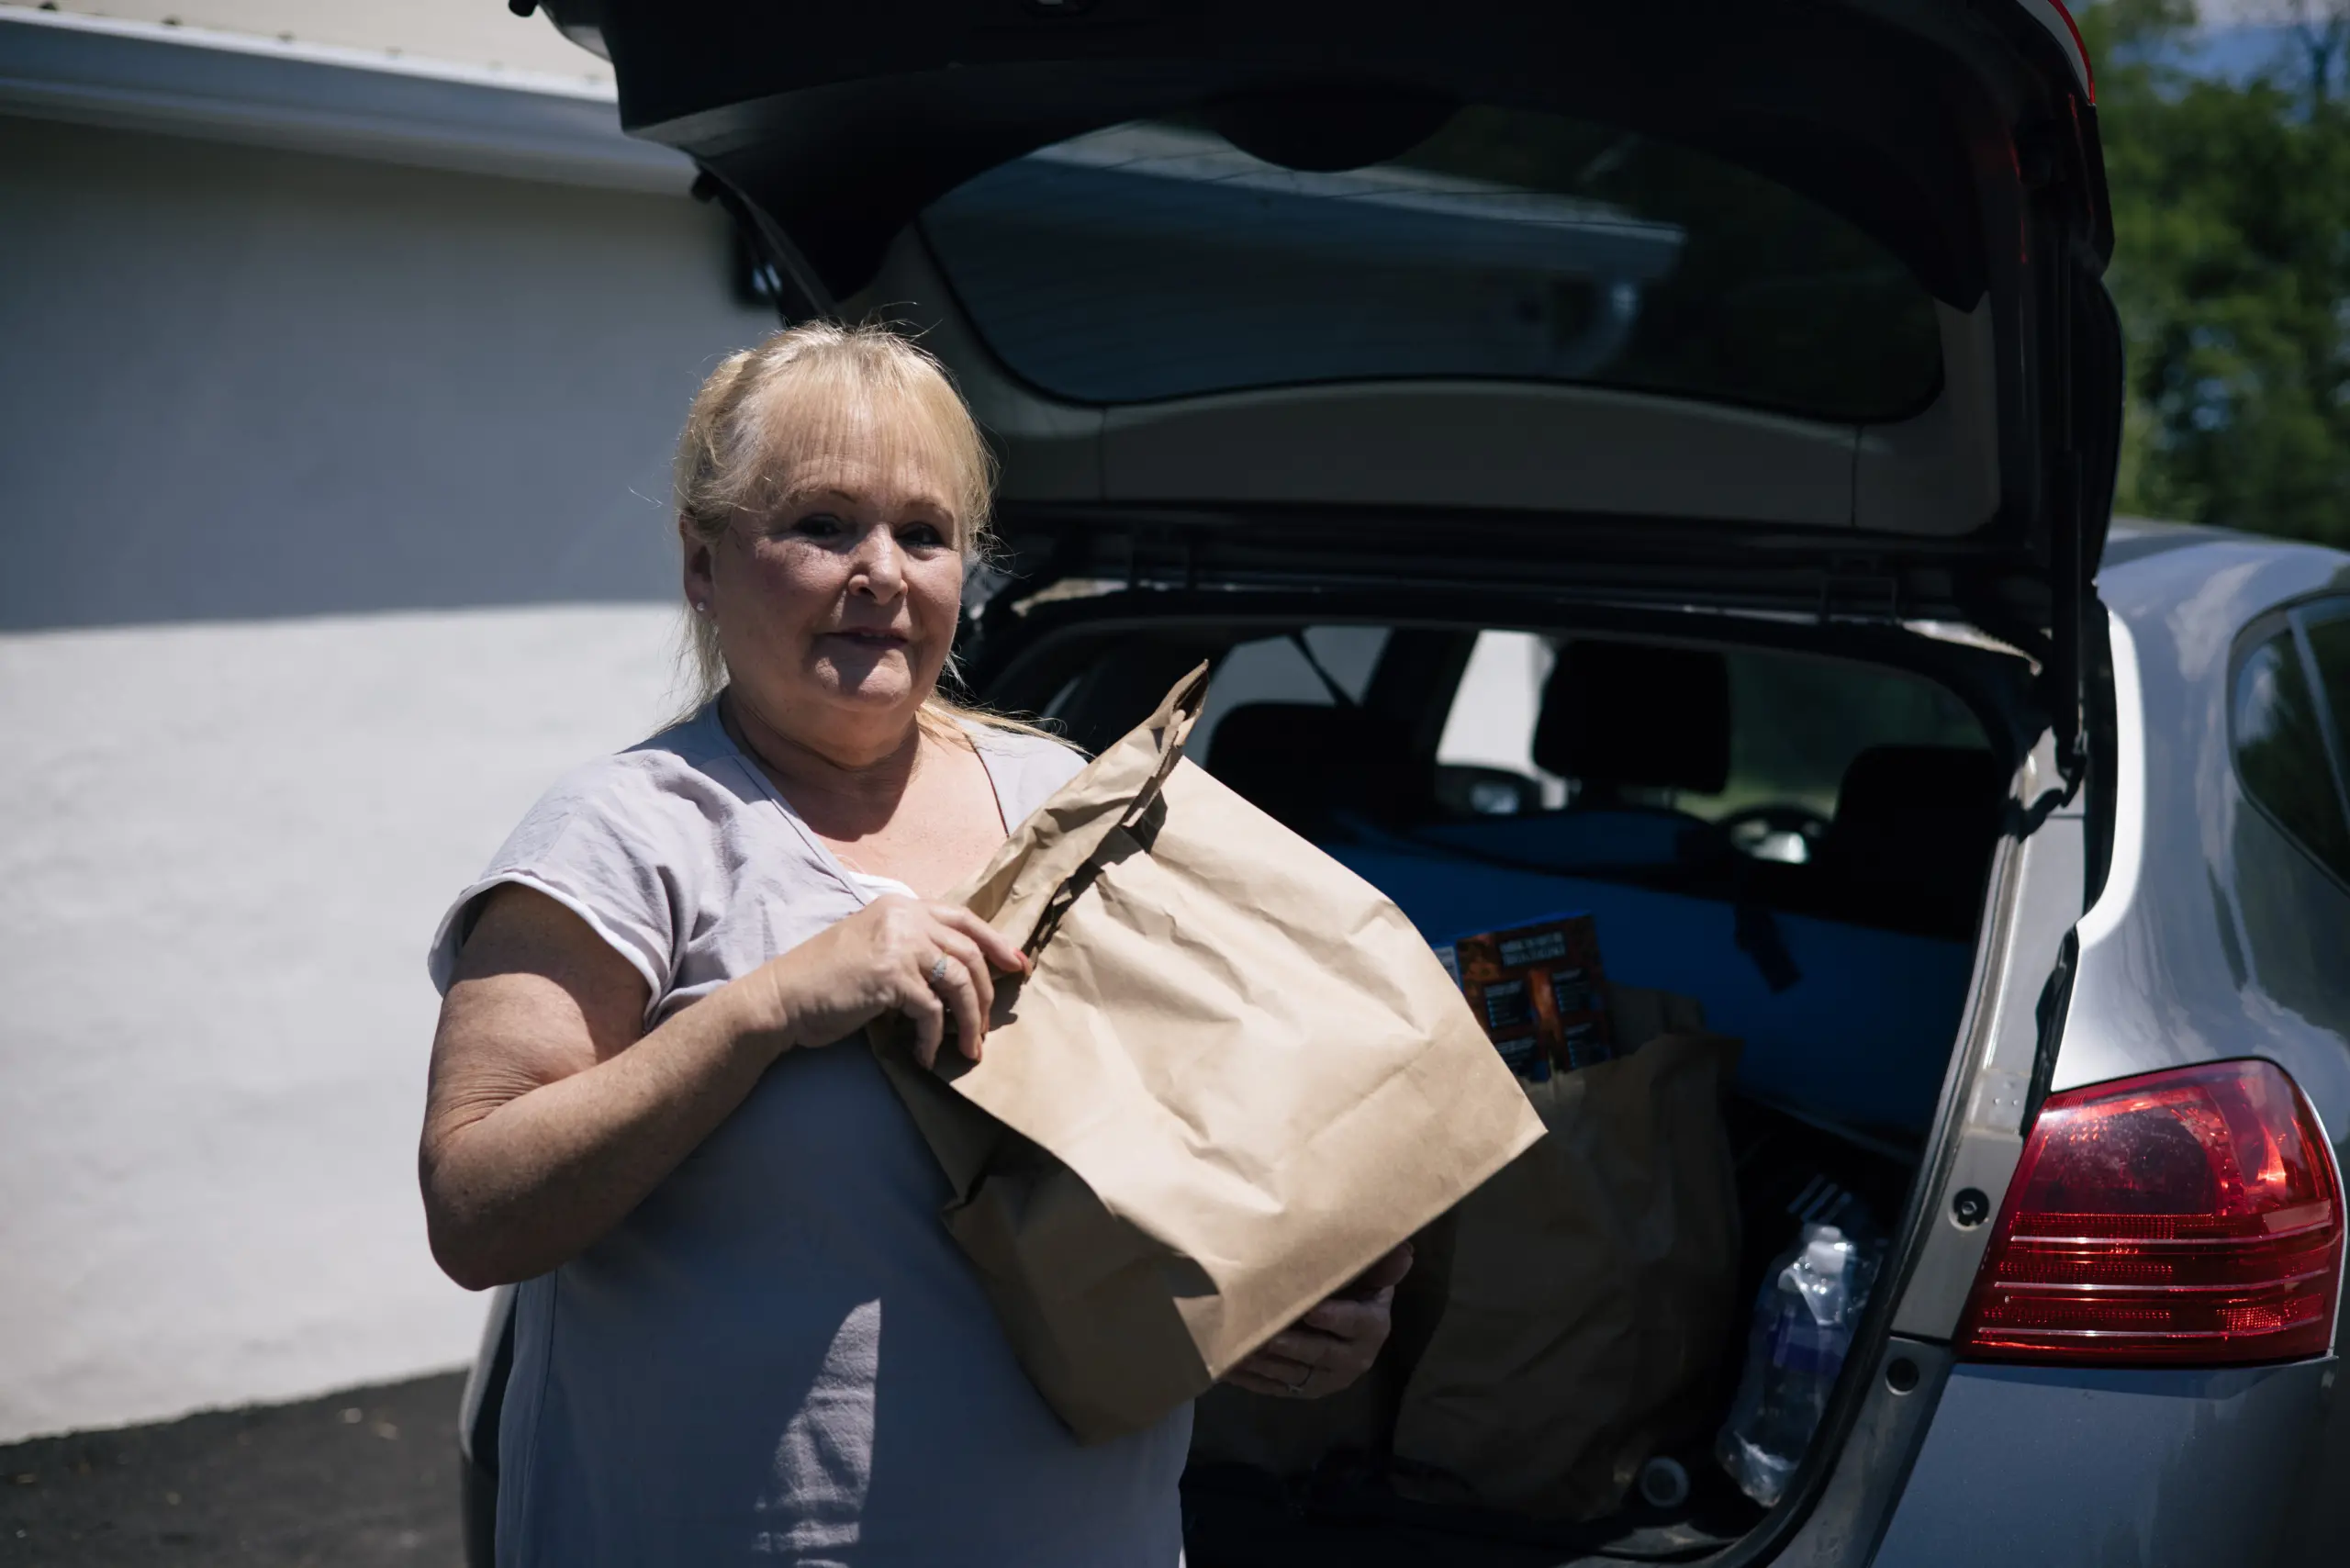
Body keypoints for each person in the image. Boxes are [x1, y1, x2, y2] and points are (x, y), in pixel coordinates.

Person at [420, 321, 1406, 1566]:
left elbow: (1217, 1143)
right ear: (702, 565)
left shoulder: (1067, 804)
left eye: (924, 534)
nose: (879, 571)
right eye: (822, 524)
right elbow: (477, 1213)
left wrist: (1305, 1291)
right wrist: (766, 1009)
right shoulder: (624, 838)